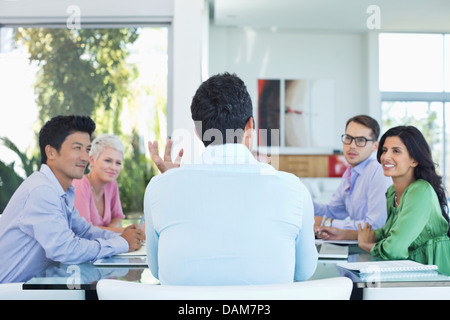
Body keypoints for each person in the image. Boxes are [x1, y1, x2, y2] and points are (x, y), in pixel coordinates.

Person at [144, 72, 318, 285]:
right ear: (250, 126)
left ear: (198, 133)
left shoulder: (159, 189)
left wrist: (172, 183)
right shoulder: (294, 190)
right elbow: (304, 272)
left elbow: (156, 269)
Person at [0, 115, 144, 283]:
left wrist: (122, 236)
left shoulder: (61, 191)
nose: (84, 157)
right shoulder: (41, 191)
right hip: (11, 290)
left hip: (37, 285)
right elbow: (66, 250)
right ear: (51, 152)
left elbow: (84, 231)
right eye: (77, 148)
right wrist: (122, 243)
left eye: (87, 149)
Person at [358, 126, 450, 273]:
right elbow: (387, 232)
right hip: (411, 273)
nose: (386, 157)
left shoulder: (421, 190)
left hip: (436, 277)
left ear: (414, 160)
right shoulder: (392, 192)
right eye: (384, 150)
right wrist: (340, 233)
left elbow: (393, 249)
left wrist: (365, 245)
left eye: (396, 151)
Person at [314, 115, 391, 240]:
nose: (352, 145)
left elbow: (374, 226)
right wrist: (302, 201)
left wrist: (327, 223)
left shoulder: (378, 172)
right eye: (348, 138)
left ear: (375, 146)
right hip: (357, 244)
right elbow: (333, 211)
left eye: (361, 140)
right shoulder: (351, 172)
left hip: (374, 250)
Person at [73, 134, 126, 232]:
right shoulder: (80, 185)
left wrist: (112, 232)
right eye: (108, 160)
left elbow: (117, 217)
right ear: (92, 160)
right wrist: (124, 231)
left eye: (118, 163)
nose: (113, 167)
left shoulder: (112, 184)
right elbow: (84, 231)